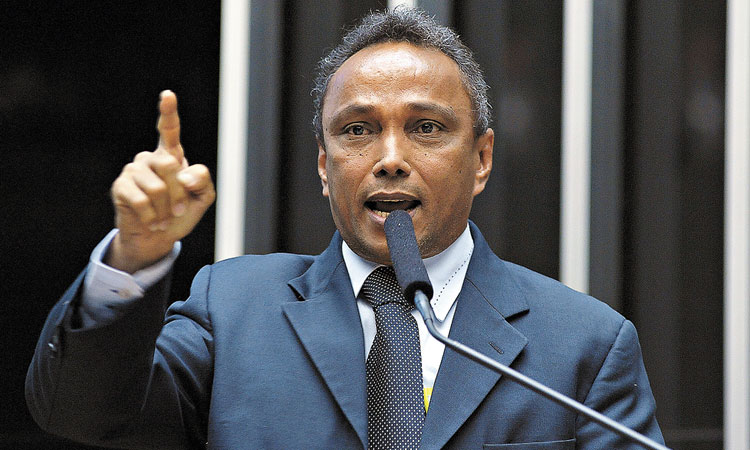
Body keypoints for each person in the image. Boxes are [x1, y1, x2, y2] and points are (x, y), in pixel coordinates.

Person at [26, 8, 664, 449]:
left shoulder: (583, 344)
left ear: (481, 159)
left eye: (426, 128)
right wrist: (135, 254)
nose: (390, 158)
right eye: (358, 130)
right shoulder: (234, 308)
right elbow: (82, 415)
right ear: (324, 166)